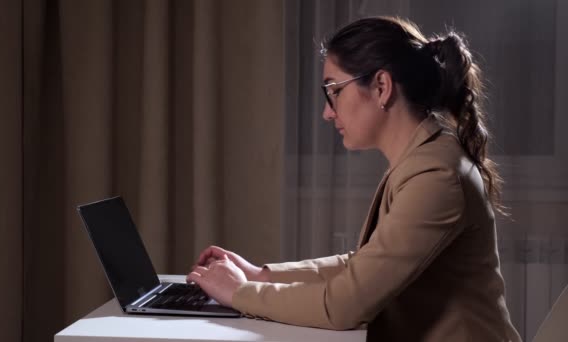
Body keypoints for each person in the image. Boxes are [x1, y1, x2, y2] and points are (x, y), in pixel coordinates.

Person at [186, 16, 521, 342]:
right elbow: (363, 264)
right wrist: (263, 275)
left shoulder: (435, 177)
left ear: (381, 87)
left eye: (334, 90)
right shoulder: (423, 160)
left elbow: (344, 306)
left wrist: (240, 293)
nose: (327, 112)